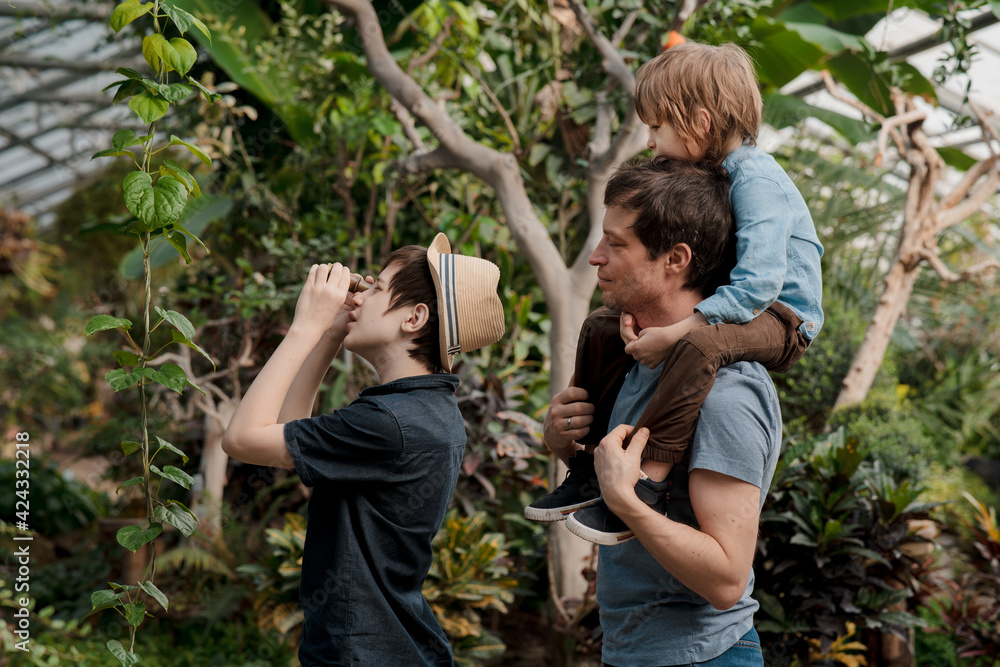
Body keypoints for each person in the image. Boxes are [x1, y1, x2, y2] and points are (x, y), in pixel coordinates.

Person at [524, 41, 823, 544]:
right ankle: (586, 470)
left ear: (700, 123)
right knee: (601, 324)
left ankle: (646, 484)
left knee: (700, 346)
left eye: (657, 128)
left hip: (782, 315)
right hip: (743, 302)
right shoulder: (716, 174)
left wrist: (679, 330)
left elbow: (759, 283)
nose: (649, 141)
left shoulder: (756, 179)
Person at [221, 234, 505, 666]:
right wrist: (330, 334)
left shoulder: (390, 423)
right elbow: (284, 432)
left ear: (414, 318)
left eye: (377, 288)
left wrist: (305, 326)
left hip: (361, 652)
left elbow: (242, 438)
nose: (360, 296)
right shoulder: (423, 410)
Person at [543, 156, 782, 665]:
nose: (595, 257)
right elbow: (641, 502)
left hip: (702, 656)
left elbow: (725, 579)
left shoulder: (726, 394)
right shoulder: (639, 364)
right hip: (633, 651)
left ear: (675, 259)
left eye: (616, 243)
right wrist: (569, 450)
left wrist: (625, 500)